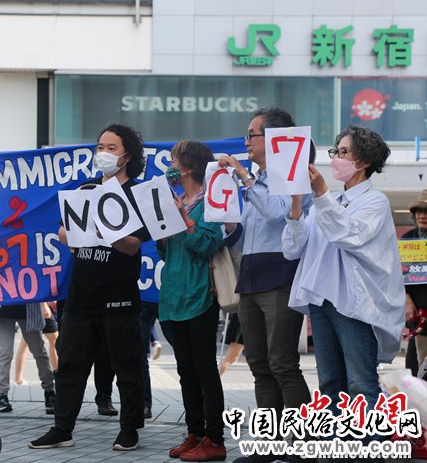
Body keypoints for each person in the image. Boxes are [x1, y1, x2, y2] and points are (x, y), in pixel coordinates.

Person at [282, 124, 405, 450]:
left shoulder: (374, 202)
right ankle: (339, 448)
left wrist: (321, 196)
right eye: (335, 151)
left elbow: (349, 235)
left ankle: (368, 450)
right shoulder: (330, 200)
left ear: (362, 161)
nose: (335, 158)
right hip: (322, 301)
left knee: (361, 382)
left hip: (353, 303)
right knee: (330, 382)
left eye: (343, 152)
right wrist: (297, 205)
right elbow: (293, 249)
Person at [29, 124, 147, 452]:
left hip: (119, 295)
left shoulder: (137, 194)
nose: (104, 153)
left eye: (111, 147)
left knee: (126, 365)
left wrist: (104, 231)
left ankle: (130, 429)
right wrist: (78, 233)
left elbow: (133, 245)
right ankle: (62, 428)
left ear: (127, 156)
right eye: (100, 146)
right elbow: (64, 234)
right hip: (81, 295)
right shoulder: (86, 188)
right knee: (69, 365)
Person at [218, 107, 312, 459]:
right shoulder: (252, 181)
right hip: (251, 275)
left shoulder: (293, 176)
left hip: (282, 276)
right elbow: (244, 235)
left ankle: (302, 445)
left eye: (251, 134)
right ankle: (269, 445)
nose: (246, 141)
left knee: (282, 361)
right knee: (258, 363)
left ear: (274, 138)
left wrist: (244, 177)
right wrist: (226, 224)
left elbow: (278, 212)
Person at [158, 140, 226, 461]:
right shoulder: (174, 199)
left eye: (175, 160)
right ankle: (194, 433)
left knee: (204, 369)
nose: (170, 165)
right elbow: (166, 250)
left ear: (189, 166)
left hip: (200, 295)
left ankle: (215, 439)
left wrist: (184, 219)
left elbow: (209, 242)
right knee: (185, 370)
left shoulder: (208, 203)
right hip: (172, 296)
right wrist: (163, 228)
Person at [0, 302, 55, 414]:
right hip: (3, 310)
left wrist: (44, 305)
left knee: (39, 351)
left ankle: (50, 391)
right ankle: (1, 395)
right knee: (6, 353)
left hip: (28, 310)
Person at [403, 190, 427, 374]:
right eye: (418, 211)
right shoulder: (407, 239)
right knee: (413, 368)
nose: (422, 215)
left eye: (426, 211)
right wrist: (407, 300)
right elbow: (398, 275)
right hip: (418, 315)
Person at [14, 302, 59, 385]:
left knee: (25, 342)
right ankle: (58, 376)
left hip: (32, 306)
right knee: (54, 340)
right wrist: (44, 305)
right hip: (38, 306)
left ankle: (18, 380)